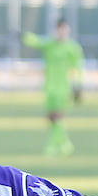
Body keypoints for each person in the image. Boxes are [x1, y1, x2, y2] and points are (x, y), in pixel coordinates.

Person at [22, 19, 84, 156]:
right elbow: (35, 41)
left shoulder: (72, 48)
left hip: (64, 88)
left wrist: (78, 86)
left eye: (64, 30)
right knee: (51, 118)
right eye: (59, 29)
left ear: (68, 31)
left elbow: (78, 68)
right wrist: (23, 35)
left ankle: (53, 145)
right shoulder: (50, 44)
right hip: (50, 87)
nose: (62, 33)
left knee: (58, 117)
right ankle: (65, 144)